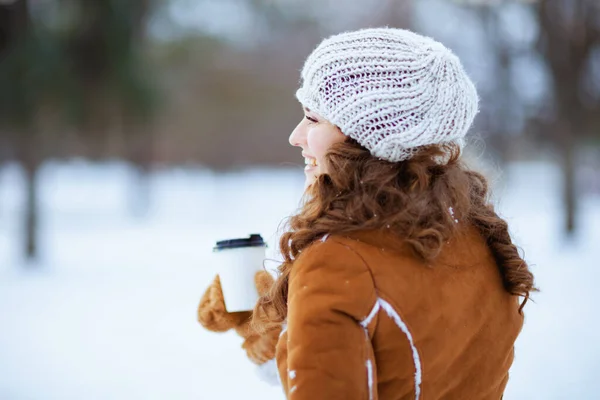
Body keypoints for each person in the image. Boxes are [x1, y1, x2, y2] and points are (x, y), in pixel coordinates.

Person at [197, 27, 536, 400]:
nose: (296, 136)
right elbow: (393, 362)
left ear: (369, 133)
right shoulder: (476, 236)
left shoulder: (339, 262)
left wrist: (302, 306)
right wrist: (272, 322)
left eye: (313, 118)